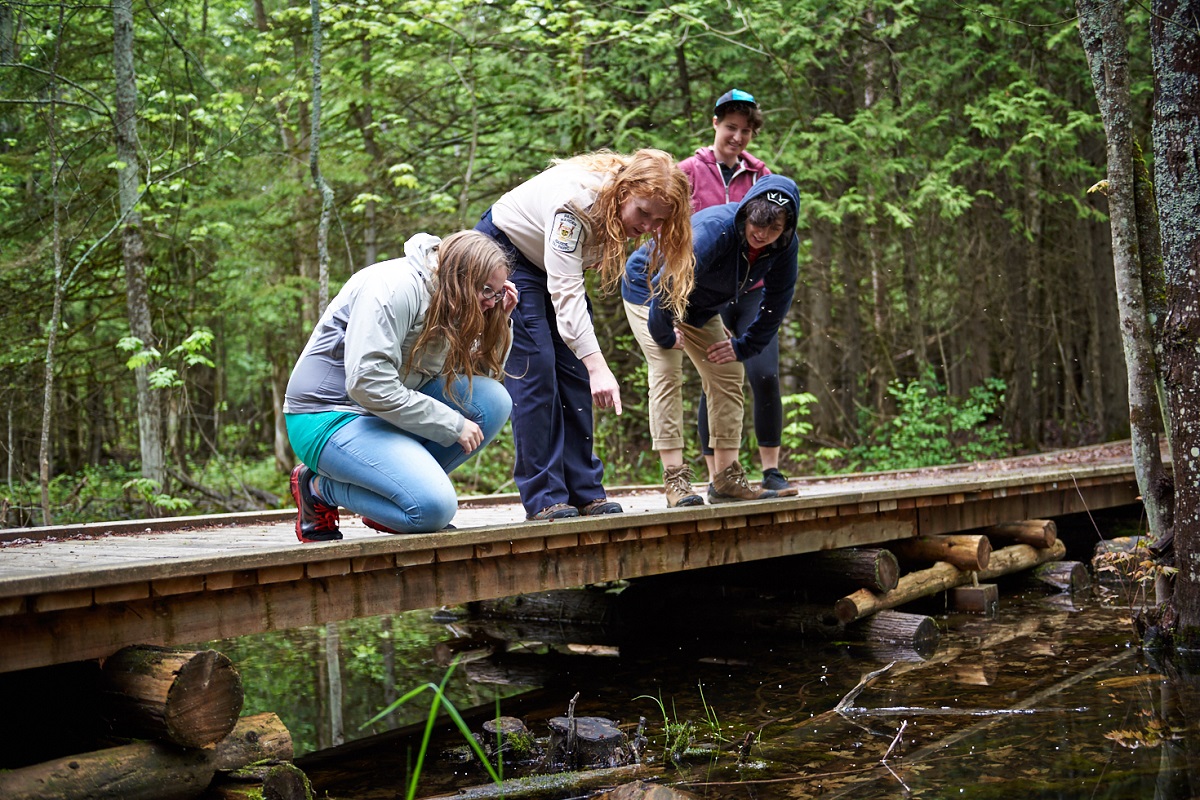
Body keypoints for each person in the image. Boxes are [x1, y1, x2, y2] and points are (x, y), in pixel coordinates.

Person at [476, 149, 695, 521]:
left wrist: (587, 364)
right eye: (643, 213)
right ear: (624, 192)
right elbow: (566, 292)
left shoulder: (621, 206)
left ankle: (584, 490)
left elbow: (568, 278)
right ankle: (544, 495)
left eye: (659, 220)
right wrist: (599, 367)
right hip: (507, 254)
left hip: (549, 263)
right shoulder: (574, 206)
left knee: (573, 372)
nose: (648, 226)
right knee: (538, 370)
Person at [283, 231, 517, 542]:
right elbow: (367, 382)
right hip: (327, 416)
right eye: (487, 291)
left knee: (492, 400)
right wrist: (451, 423)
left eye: (499, 293)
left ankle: (398, 495)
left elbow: (478, 375)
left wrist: (498, 322)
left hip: (381, 413)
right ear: (461, 276)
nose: (491, 301)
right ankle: (318, 488)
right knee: (433, 509)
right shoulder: (393, 288)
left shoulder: (455, 298)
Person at [622, 175, 800, 507]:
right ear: (747, 214)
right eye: (755, 227)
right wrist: (664, 334)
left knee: (729, 372)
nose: (760, 236)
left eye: (772, 230)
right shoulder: (715, 229)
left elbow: (777, 303)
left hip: (696, 304)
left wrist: (743, 346)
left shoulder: (786, 247)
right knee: (667, 369)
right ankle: (675, 480)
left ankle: (726, 479)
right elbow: (667, 283)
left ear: (787, 227)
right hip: (650, 289)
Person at [680, 89, 791, 492]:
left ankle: (771, 469)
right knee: (717, 376)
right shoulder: (689, 171)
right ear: (715, 124)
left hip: (752, 289)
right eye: (730, 127)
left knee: (764, 373)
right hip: (707, 289)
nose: (737, 137)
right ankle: (718, 474)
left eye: (745, 130)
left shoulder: (763, 178)